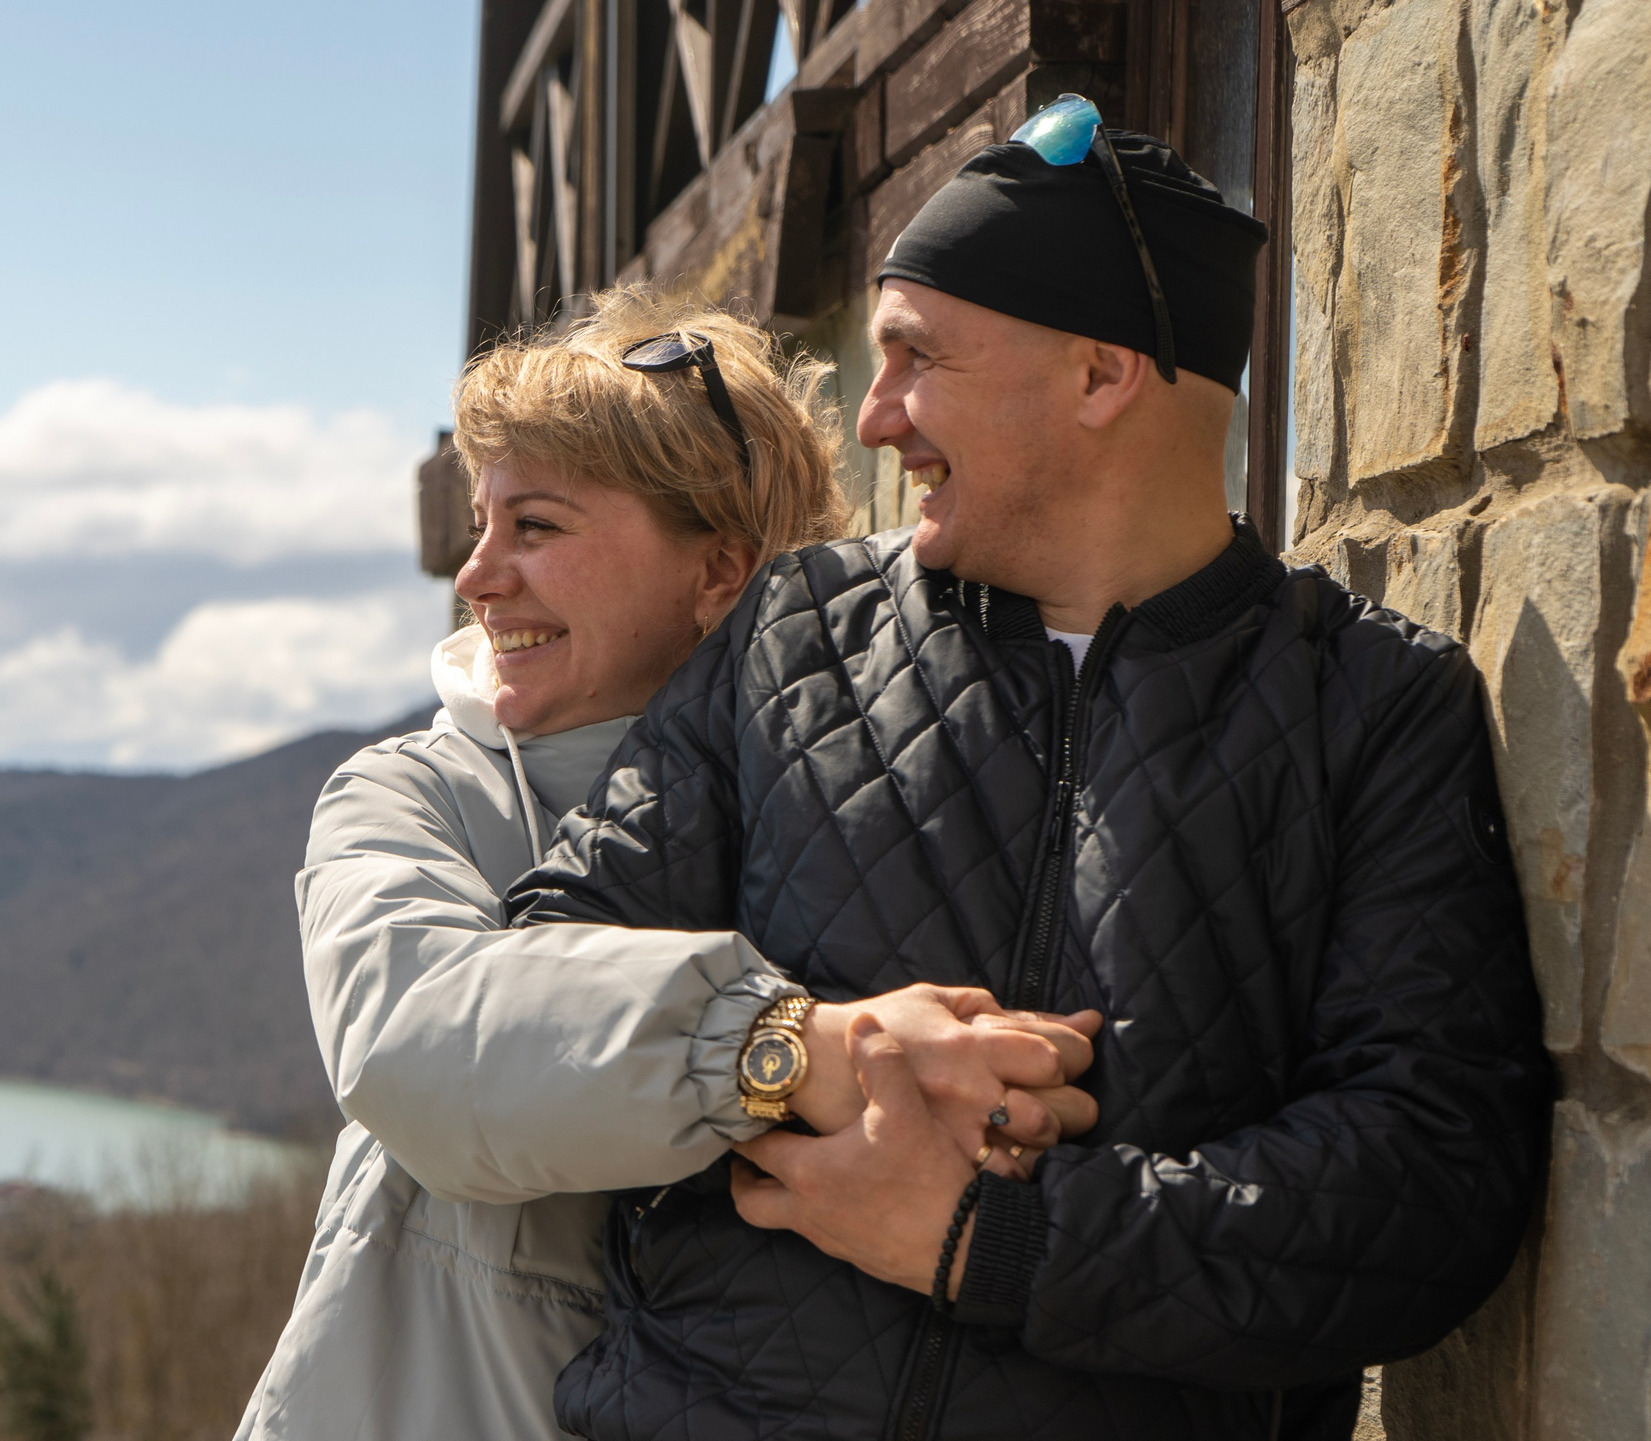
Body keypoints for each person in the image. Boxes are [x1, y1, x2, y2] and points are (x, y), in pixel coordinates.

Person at [508, 107, 1551, 1440]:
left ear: (1102, 374)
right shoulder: (790, 638)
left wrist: (989, 1240)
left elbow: (1424, 1184)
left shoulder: (1372, 707)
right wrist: (802, 1057)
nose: (876, 417)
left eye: (916, 360)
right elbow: (543, 979)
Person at [235, 291, 1103, 1441]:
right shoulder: (415, 794)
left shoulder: (872, 813)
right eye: (482, 526)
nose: (478, 576)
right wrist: (789, 1049)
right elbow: (413, 1040)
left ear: (718, 576)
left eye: (534, 527)